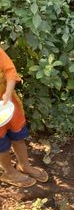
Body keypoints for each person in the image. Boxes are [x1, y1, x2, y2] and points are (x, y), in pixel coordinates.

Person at [0, 48, 48, 188]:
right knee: (1, 145)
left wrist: (8, 93)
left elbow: (10, 71)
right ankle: (9, 171)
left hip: (8, 105)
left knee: (18, 136)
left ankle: (24, 165)